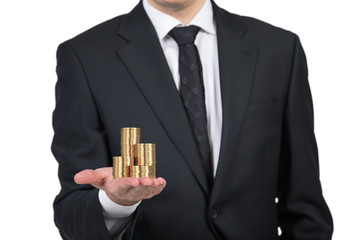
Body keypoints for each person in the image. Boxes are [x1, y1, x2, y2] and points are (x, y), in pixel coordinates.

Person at [51, 0, 333, 239]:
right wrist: (115, 203)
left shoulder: (278, 48)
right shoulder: (85, 57)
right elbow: (72, 214)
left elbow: (304, 203)